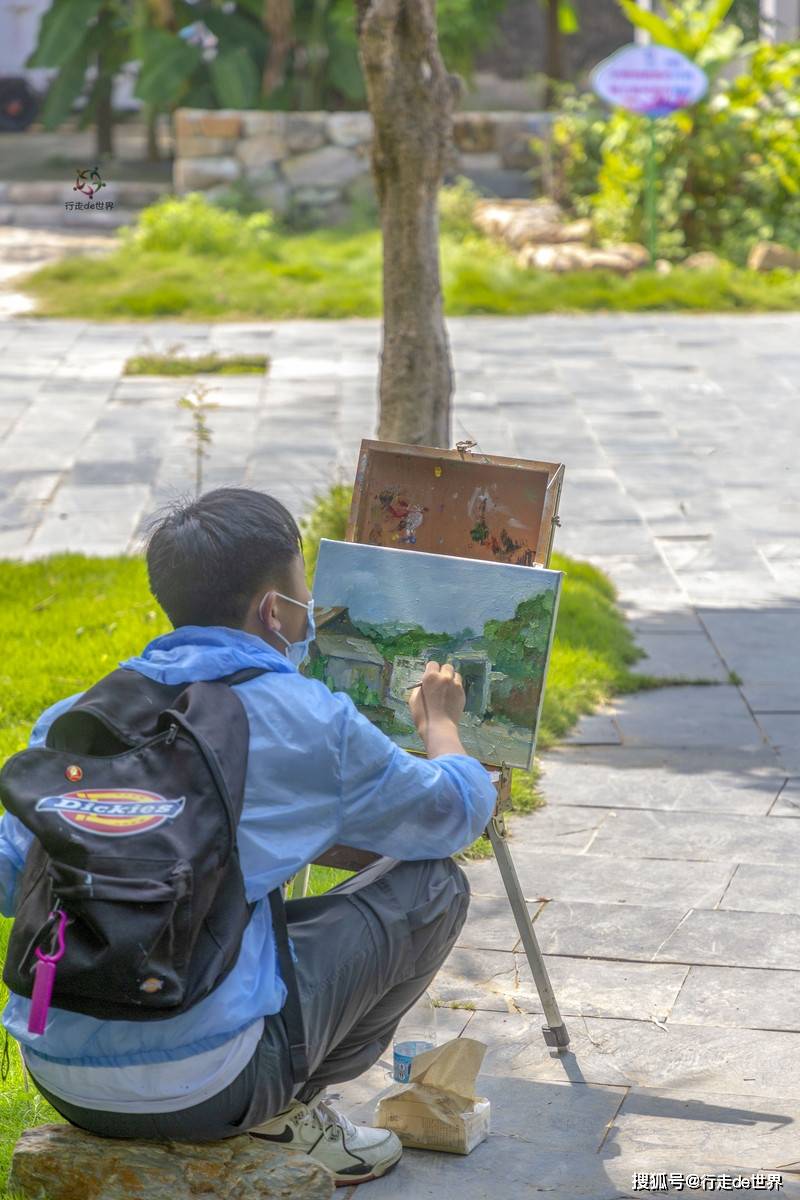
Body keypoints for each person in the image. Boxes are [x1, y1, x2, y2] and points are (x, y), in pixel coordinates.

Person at [0, 487, 497, 1187]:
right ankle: (287, 1114)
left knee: (240, 901)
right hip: (213, 1086)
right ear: (274, 610)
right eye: (302, 592)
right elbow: (454, 811)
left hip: (58, 1073)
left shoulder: (76, 717)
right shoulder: (303, 716)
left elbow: (6, 877)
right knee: (433, 886)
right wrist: (441, 726)